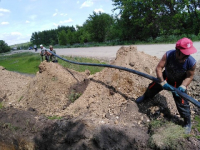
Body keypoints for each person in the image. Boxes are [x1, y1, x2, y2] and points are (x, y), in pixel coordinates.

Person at [136, 37, 197, 134]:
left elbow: (189, 77)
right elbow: (159, 68)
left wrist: (183, 86)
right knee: (152, 87)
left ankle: (187, 121)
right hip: (166, 77)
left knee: (182, 102)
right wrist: (163, 82)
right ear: (177, 51)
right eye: (185, 54)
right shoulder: (168, 55)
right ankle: (145, 96)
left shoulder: (191, 62)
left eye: (188, 54)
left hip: (179, 83)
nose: (187, 57)